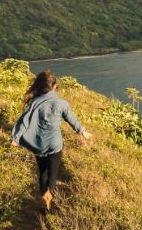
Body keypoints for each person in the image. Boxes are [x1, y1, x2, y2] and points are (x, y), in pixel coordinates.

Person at [9, 70, 90, 212]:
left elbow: (24, 122)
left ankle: (44, 202)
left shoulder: (33, 103)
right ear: (54, 86)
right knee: (53, 174)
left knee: (43, 173)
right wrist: (82, 132)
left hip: (38, 145)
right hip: (54, 144)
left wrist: (15, 139)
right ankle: (49, 198)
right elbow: (72, 120)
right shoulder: (62, 103)